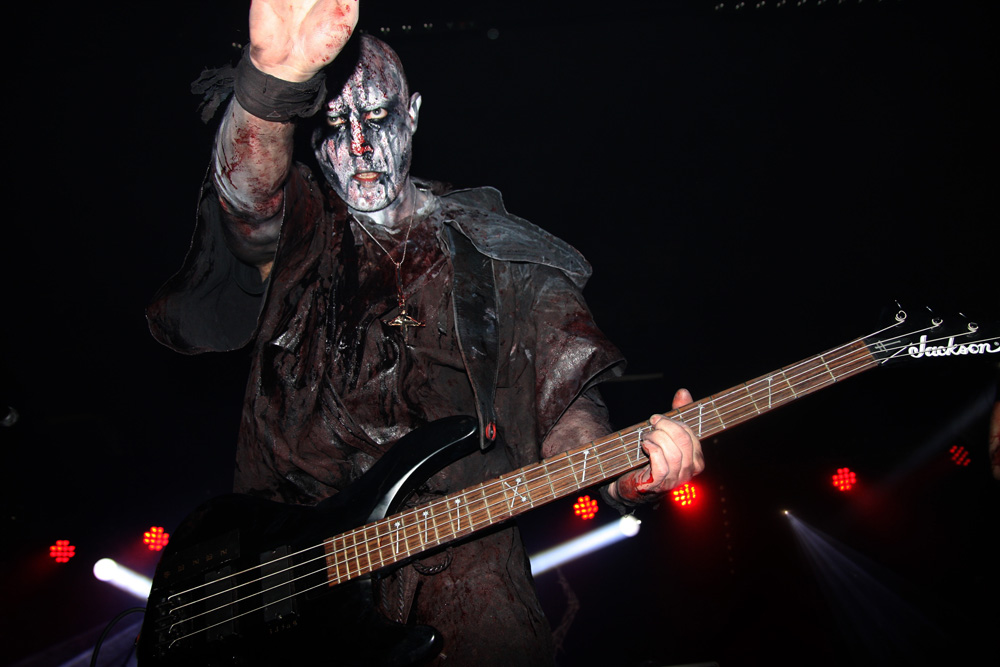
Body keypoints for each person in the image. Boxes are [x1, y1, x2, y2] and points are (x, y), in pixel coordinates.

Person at [147, 1, 704, 664]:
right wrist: (269, 90)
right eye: (335, 124)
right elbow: (249, 204)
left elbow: (565, 403)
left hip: (466, 572)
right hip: (287, 576)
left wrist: (622, 473)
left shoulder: (501, 254)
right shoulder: (305, 229)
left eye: (377, 117)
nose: (359, 146)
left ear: (412, 114)